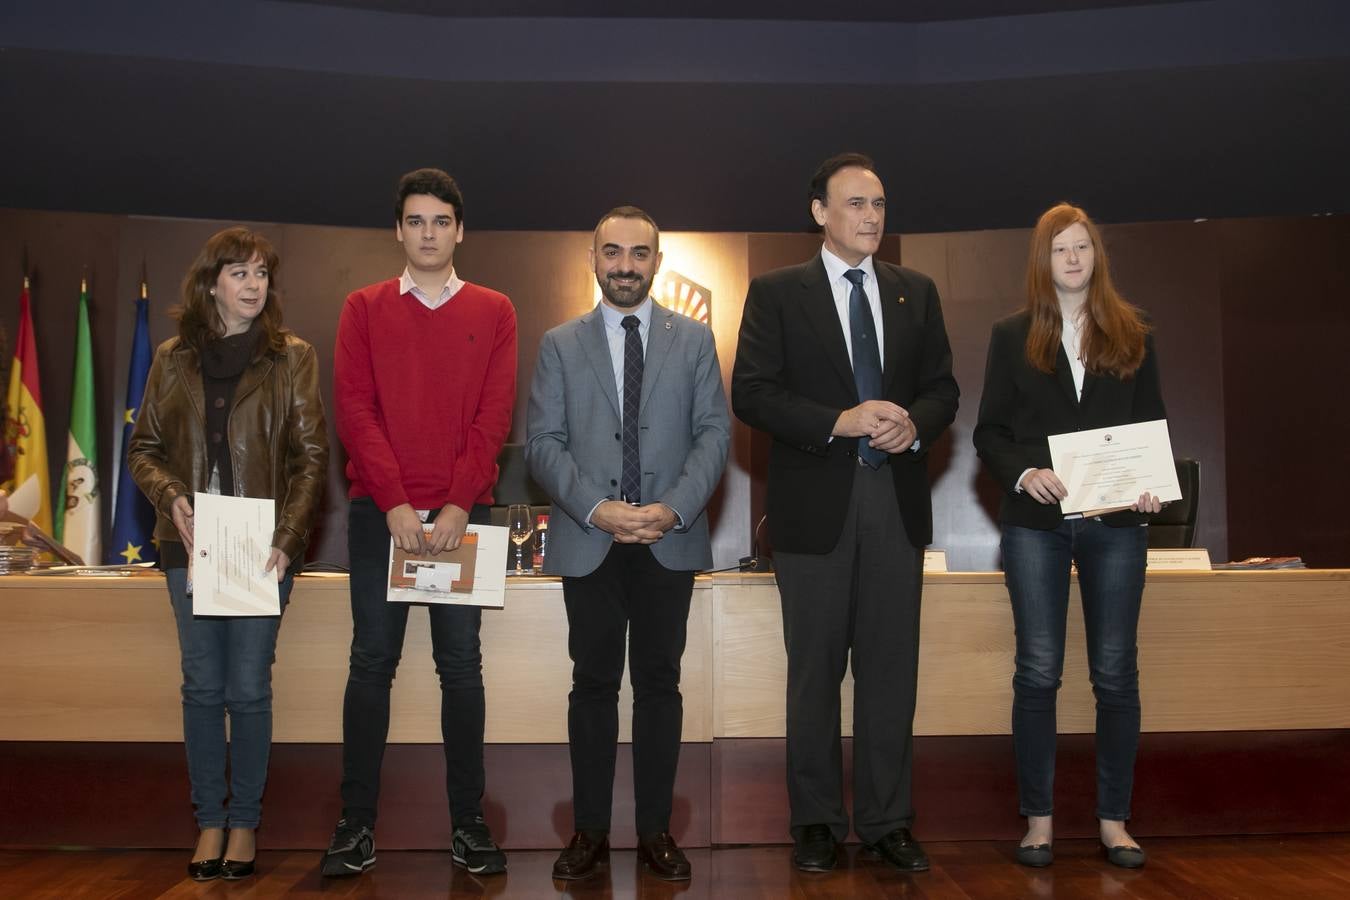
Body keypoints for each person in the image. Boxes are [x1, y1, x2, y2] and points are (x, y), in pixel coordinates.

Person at [731, 153, 959, 873]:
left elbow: (944, 389)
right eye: (856, 204)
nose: (871, 217)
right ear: (819, 211)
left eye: (880, 205)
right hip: (815, 510)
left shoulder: (915, 293)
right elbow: (753, 393)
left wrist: (911, 426)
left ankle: (890, 821)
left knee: (892, 673)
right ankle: (818, 823)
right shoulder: (776, 292)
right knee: (815, 673)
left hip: (894, 501)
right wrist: (841, 419)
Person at [322, 168, 517, 878]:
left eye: (441, 221)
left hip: (464, 518)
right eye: (415, 221)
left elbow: (493, 418)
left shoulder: (495, 309)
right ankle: (354, 826)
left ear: (459, 230)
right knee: (371, 665)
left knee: (460, 669)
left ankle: (469, 824)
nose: (428, 234)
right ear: (398, 230)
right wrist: (398, 501)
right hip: (385, 517)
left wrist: (459, 504)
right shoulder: (363, 307)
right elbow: (354, 411)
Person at [526, 206, 730, 882]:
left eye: (638, 253)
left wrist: (669, 509)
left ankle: (653, 832)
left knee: (660, 686)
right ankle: (588, 832)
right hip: (591, 541)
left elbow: (713, 437)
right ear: (593, 259)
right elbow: (543, 446)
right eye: (612, 252)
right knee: (591, 686)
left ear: (657, 263)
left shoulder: (695, 340)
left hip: (668, 542)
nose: (624, 265)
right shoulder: (560, 343)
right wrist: (598, 508)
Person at [127, 226, 328, 882]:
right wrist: (170, 497)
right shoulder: (170, 357)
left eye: (261, 274)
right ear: (211, 282)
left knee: (247, 689)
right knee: (200, 687)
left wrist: (288, 538)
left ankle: (244, 824)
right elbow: (144, 451)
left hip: (259, 548)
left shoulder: (290, 356)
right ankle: (207, 819)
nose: (252, 285)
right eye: (239, 273)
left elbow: (311, 459)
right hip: (189, 546)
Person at [972, 202, 1165, 870]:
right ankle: (1039, 822)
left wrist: (1150, 486)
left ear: (1097, 257)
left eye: (1083, 247)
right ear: (1043, 260)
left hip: (1116, 525)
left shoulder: (1133, 333)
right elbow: (989, 433)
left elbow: (1152, 430)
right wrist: (1024, 472)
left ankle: (1115, 822)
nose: (1074, 259)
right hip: (1037, 528)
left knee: (1115, 672)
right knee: (1039, 669)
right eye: (1061, 250)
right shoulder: (1012, 335)